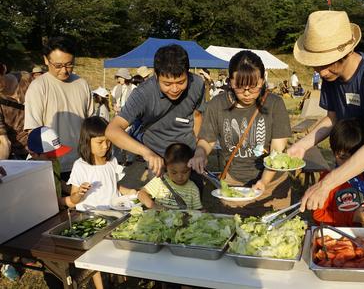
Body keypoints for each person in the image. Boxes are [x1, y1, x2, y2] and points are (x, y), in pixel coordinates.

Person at [288, 11, 364, 212]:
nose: (321, 72)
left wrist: (326, 184)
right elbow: (332, 118)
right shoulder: (330, 76)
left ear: (345, 53)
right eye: (316, 66)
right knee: (346, 221)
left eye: (326, 64)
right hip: (348, 166)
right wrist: (302, 145)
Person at [188, 50, 292, 216]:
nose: (247, 93)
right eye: (240, 86)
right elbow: (207, 139)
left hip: (271, 185)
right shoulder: (217, 104)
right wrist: (200, 154)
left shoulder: (274, 104)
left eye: (254, 86)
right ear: (230, 81)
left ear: (263, 80)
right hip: (233, 185)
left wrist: (264, 181)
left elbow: (277, 152)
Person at [105, 44, 206, 180]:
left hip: (188, 159)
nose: (175, 89)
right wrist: (147, 153)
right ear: (156, 76)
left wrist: (198, 148)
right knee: (161, 198)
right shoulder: (143, 93)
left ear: (188, 73)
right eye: (167, 84)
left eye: (181, 82)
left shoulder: (197, 84)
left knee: (193, 196)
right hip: (158, 159)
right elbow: (112, 130)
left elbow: (197, 115)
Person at [24, 36, 94, 180]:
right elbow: (34, 132)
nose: (64, 70)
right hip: (52, 165)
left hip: (82, 164)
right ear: (46, 60)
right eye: (58, 65)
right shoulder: (38, 87)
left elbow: (91, 125)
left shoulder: (82, 84)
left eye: (69, 64)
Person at [312, 118, 364, 226]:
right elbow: (318, 215)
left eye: (355, 158)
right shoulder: (327, 181)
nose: (349, 164)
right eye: (343, 157)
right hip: (338, 236)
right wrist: (352, 217)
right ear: (334, 152)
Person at [68, 116, 136, 211]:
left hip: (114, 211)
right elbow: (73, 199)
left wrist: (129, 192)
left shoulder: (112, 161)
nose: (105, 146)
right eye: (100, 142)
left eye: (108, 141)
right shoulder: (80, 166)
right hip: (92, 215)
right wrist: (79, 193)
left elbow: (112, 185)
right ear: (87, 142)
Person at [138, 143, 202, 210]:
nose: (179, 177)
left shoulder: (193, 189)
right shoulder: (161, 181)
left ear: (191, 168)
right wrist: (154, 206)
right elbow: (142, 194)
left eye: (185, 172)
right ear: (166, 168)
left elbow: (198, 211)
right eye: (174, 172)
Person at [27, 126, 75, 208]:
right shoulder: (30, 173)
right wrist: (73, 200)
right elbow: (43, 199)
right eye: (49, 157)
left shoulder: (54, 161)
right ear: (33, 153)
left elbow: (58, 181)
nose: (54, 159)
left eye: (56, 155)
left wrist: (75, 192)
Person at [0, 71, 31, 159]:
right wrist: (2, 165)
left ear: (3, 69)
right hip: (21, 154)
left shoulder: (27, 79)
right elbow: (3, 142)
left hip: (47, 143)